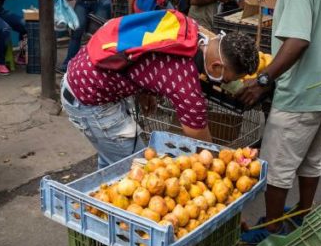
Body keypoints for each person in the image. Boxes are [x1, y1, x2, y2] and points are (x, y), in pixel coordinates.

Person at [237, 0, 321, 243]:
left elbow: (297, 40)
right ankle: (301, 218)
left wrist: (264, 78)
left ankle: (272, 231)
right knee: (310, 162)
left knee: (277, 168)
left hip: (299, 94)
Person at [61, 13, 259, 168]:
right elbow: (201, 139)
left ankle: (102, 213)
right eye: (227, 79)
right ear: (217, 67)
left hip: (83, 72)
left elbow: (148, 48)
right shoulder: (184, 82)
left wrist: (146, 90)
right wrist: (221, 164)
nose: (225, 83)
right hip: (89, 99)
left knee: (112, 164)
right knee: (137, 171)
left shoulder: (188, 27)